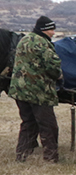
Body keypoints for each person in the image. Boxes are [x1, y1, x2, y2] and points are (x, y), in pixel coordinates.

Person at [11, 15, 62, 162]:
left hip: (20, 90)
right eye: (52, 30)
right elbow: (52, 66)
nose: (53, 33)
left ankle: (22, 156)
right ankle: (51, 158)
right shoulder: (42, 43)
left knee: (28, 123)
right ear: (45, 30)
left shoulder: (24, 40)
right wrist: (59, 76)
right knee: (48, 125)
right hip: (38, 91)